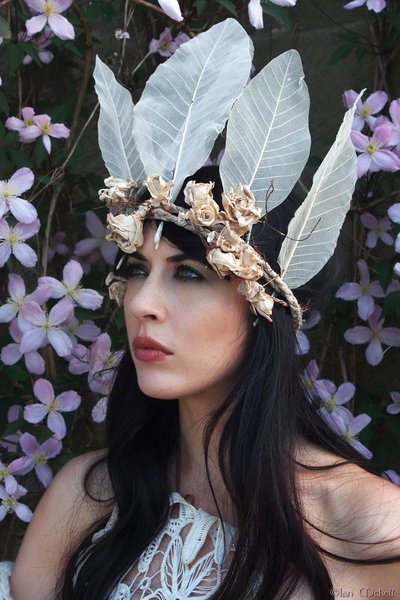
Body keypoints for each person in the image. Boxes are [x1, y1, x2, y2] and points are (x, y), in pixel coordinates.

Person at [2, 17, 400, 600]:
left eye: (189, 273)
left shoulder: (370, 528)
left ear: (269, 306)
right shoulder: (88, 497)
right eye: (137, 269)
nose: (142, 302)